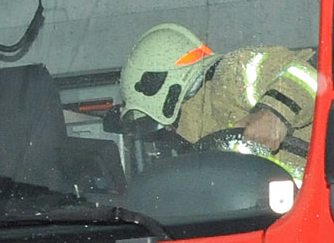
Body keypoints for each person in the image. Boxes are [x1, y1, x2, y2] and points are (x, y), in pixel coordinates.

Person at [121, 24, 320, 178]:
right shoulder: (200, 144)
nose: (167, 134)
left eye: (160, 127)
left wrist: (275, 113)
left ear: (168, 94)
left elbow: (314, 68)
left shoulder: (232, 72)